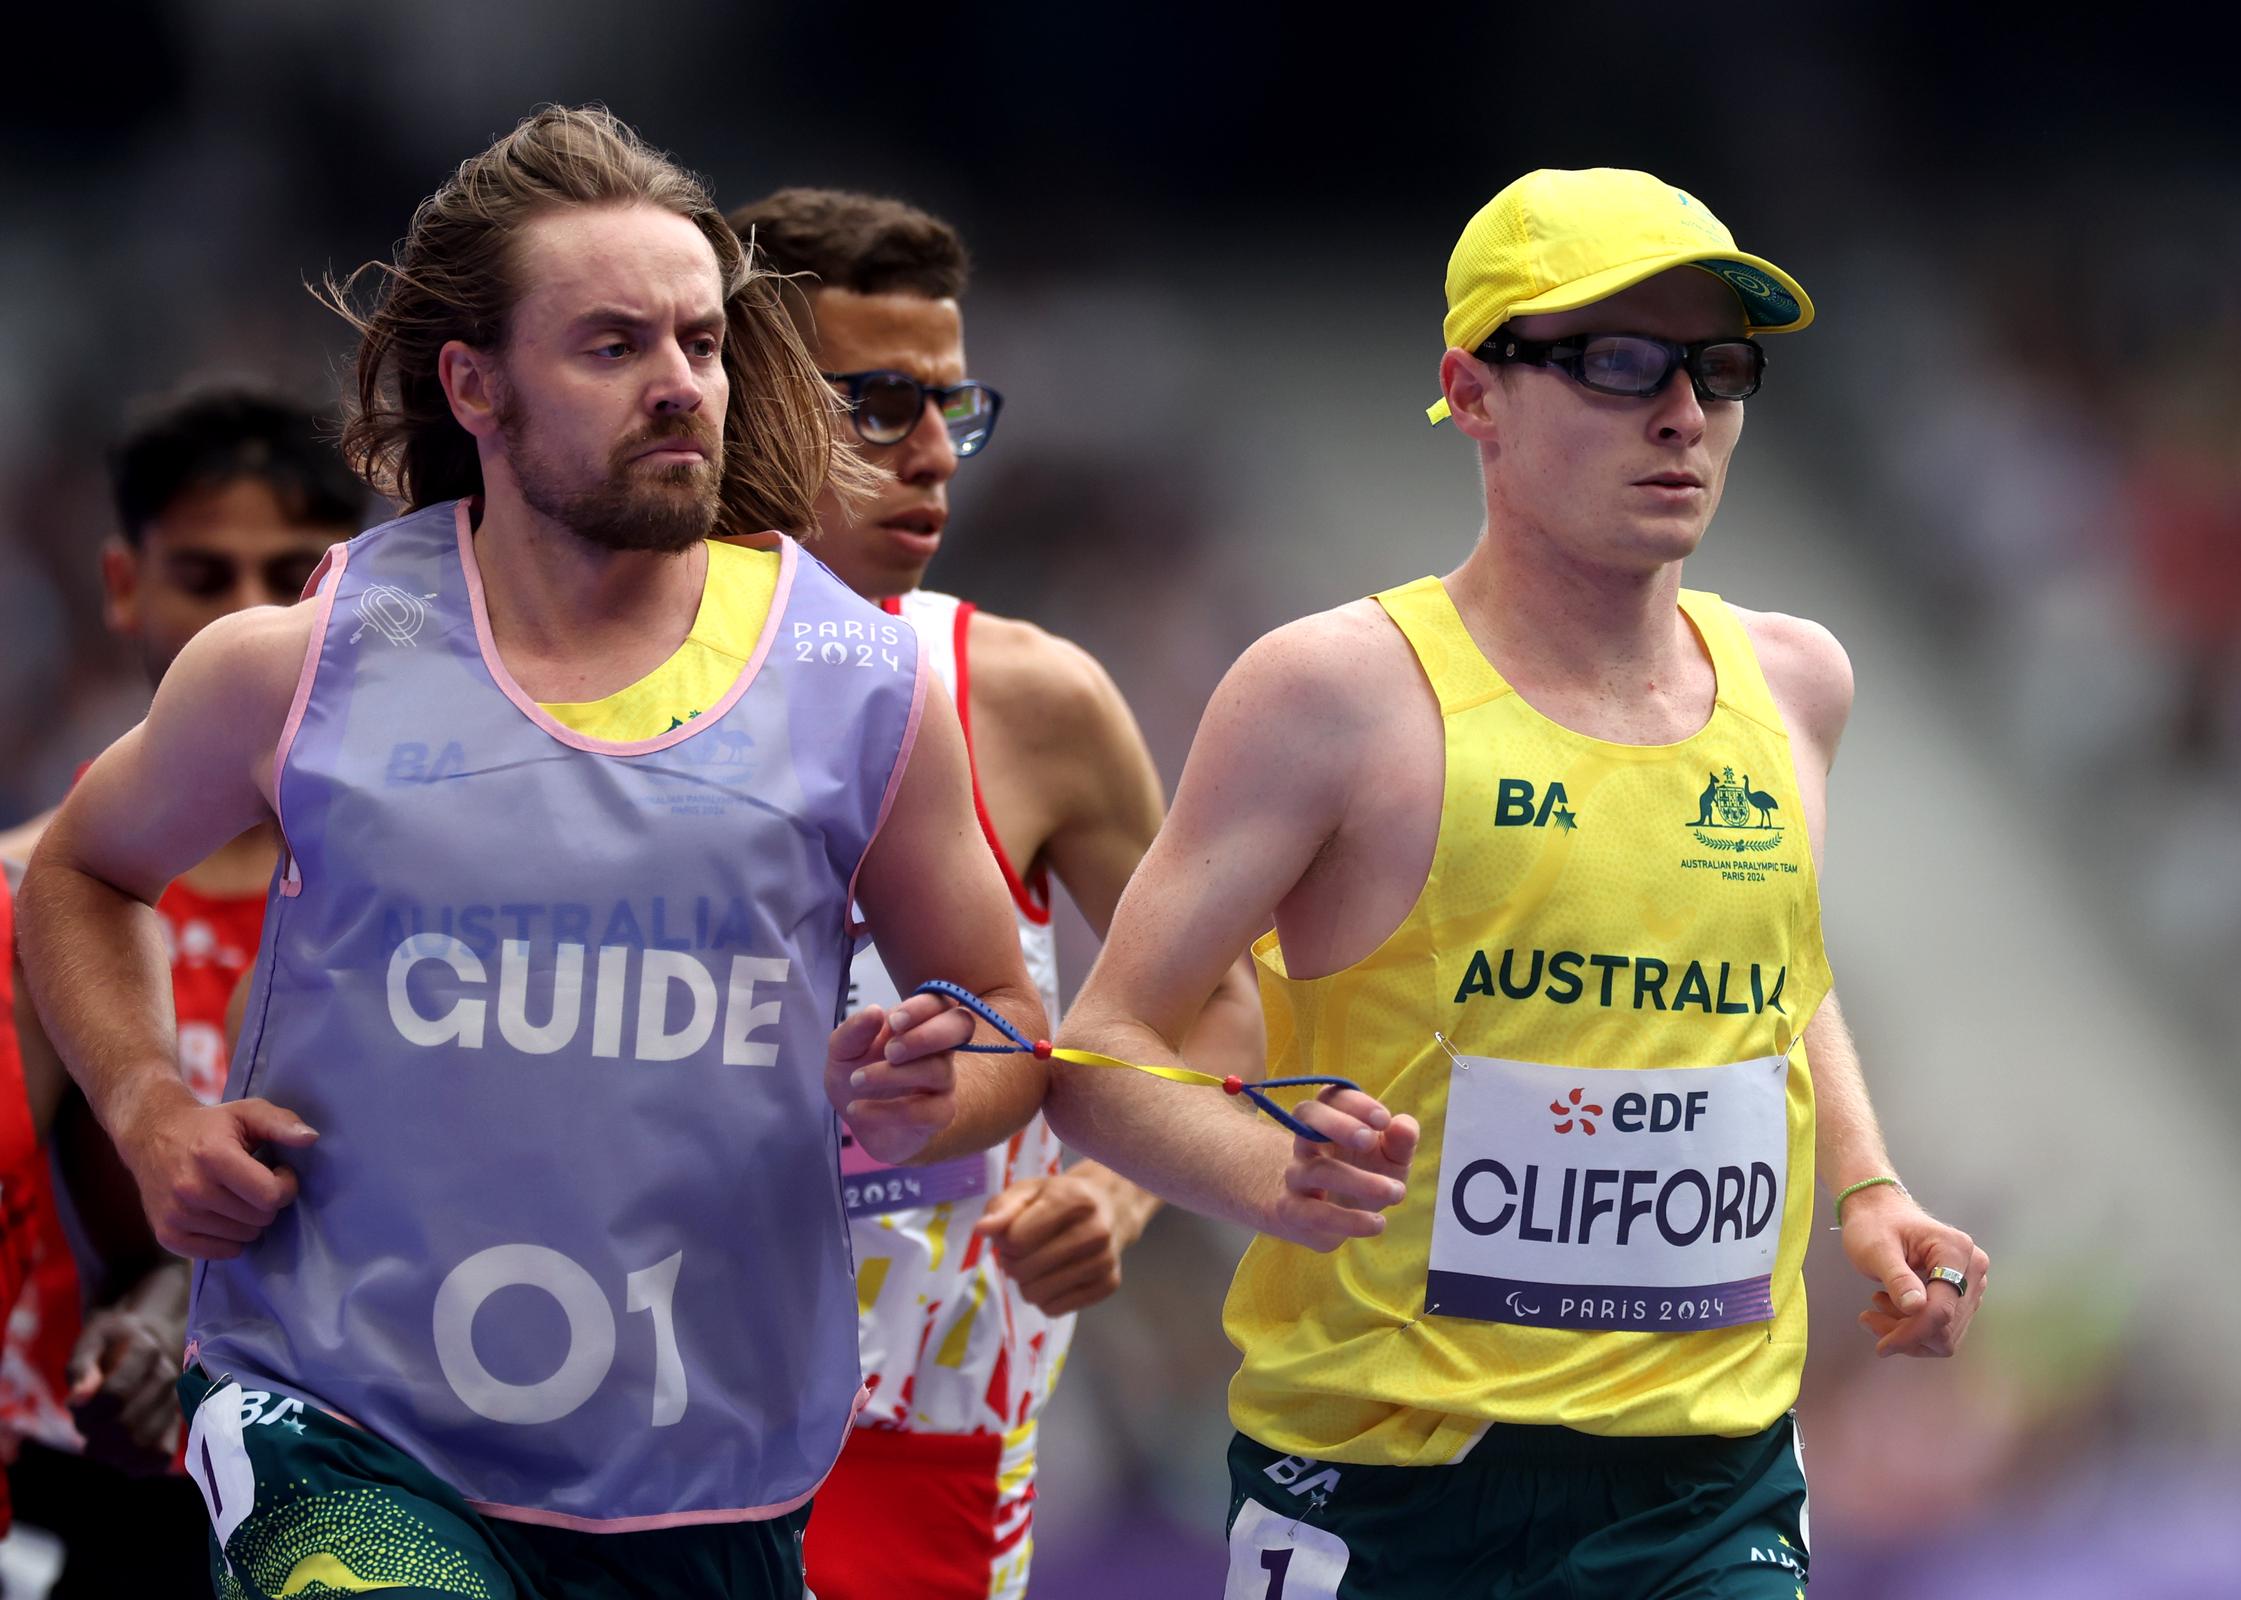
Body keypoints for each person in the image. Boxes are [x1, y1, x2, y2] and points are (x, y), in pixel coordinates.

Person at [14, 105, 1064, 1600]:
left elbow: (1011, 1027)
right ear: (475, 385)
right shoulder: (305, 661)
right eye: (614, 346)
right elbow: (82, 870)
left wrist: (929, 1103)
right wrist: (146, 1105)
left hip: (707, 1476)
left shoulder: (860, 683)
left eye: (700, 343)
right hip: (348, 1431)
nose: (680, 388)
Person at [1053, 168, 1992, 1596]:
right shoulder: (1335, 695)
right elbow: (1100, 1049)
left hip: (1708, 1483)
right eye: (1618, 364)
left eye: (1718, 369)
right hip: (1390, 1483)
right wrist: (1268, 1175)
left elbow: (1778, 974)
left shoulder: (1799, 682)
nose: (1683, 412)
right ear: (1473, 393)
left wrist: (1866, 1188)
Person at [728, 186, 1264, 1599]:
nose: (931, 461)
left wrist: (1119, 1192)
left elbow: (1211, 1000)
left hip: (933, 1456)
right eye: (878, 407)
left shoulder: (1031, 700)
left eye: (952, 413)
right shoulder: (582, 693)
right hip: (635, 1426)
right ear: (735, 401)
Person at [0, 384, 364, 1597]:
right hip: (72, 1484)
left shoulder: (411, 904)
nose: (248, 616)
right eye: (204, 575)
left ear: (352, 591)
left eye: (290, 573)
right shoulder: (19, 896)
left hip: (354, 1483)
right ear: (121, 585)